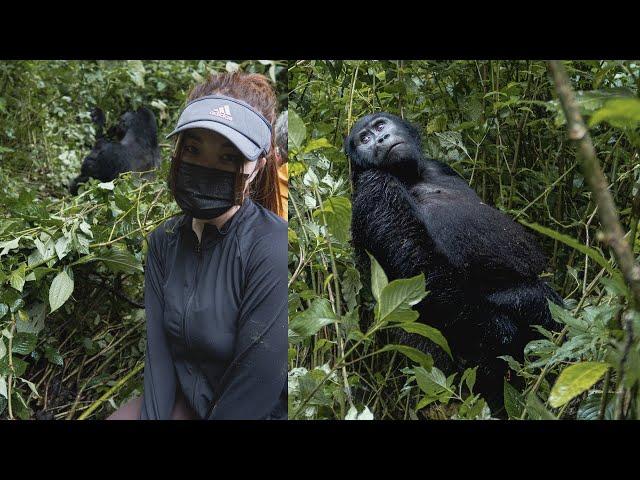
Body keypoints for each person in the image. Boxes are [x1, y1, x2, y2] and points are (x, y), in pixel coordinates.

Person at [107, 71, 287, 420]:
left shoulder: (271, 245)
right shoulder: (164, 241)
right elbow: (159, 362)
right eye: (192, 150)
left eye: (228, 157)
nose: (205, 167)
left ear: (258, 167)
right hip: (194, 401)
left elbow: (258, 386)